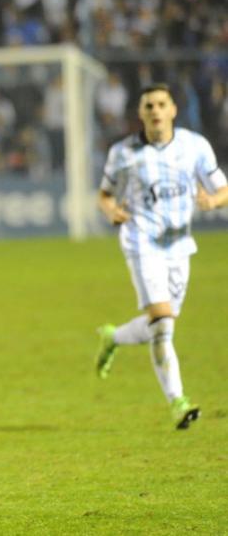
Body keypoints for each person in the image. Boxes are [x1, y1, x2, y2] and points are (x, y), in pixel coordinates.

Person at [95, 83, 228, 430]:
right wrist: (111, 212)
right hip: (141, 242)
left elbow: (222, 188)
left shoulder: (194, 147)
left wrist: (213, 201)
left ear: (173, 110)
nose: (155, 110)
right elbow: (105, 195)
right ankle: (177, 402)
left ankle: (113, 337)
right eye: (148, 105)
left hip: (180, 247)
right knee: (163, 322)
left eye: (161, 104)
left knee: (160, 325)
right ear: (140, 114)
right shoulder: (123, 153)